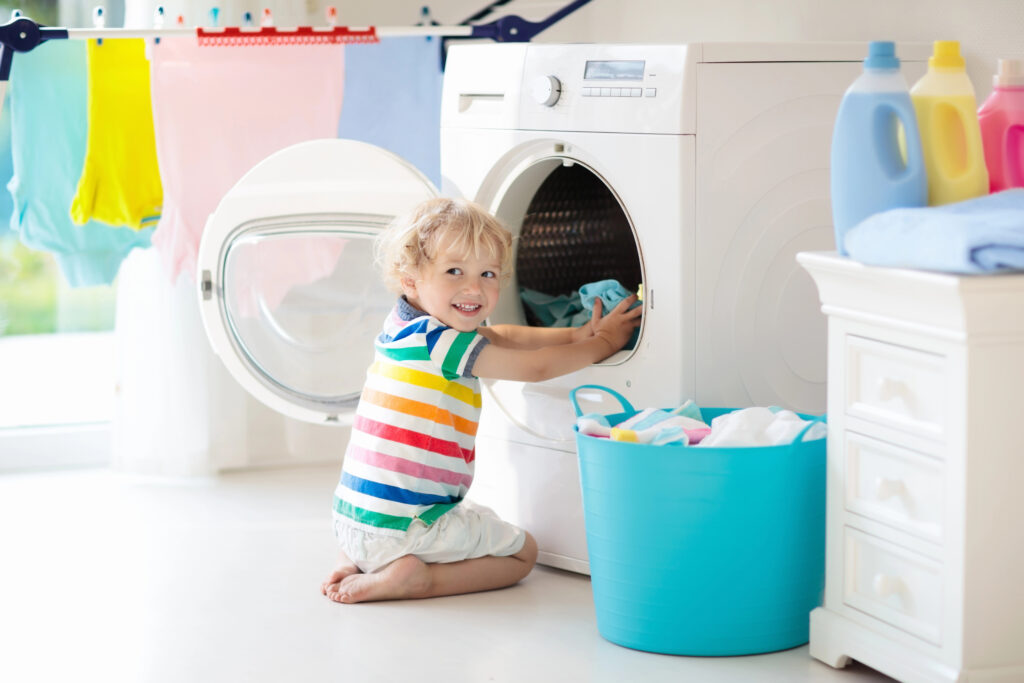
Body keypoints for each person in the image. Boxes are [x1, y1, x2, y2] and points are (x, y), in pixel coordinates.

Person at [321, 197, 642, 604]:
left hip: (351, 520)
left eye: (487, 273)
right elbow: (537, 368)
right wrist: (604, 342)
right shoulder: (443, 344)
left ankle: (358, 562)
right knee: (523, 554)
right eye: (454, 271)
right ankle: (417, 579)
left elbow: (502, 335)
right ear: (411, 280)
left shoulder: (403, 327)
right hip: (406, 527)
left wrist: (576, 335)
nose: (474, 288)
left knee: (464, 519)